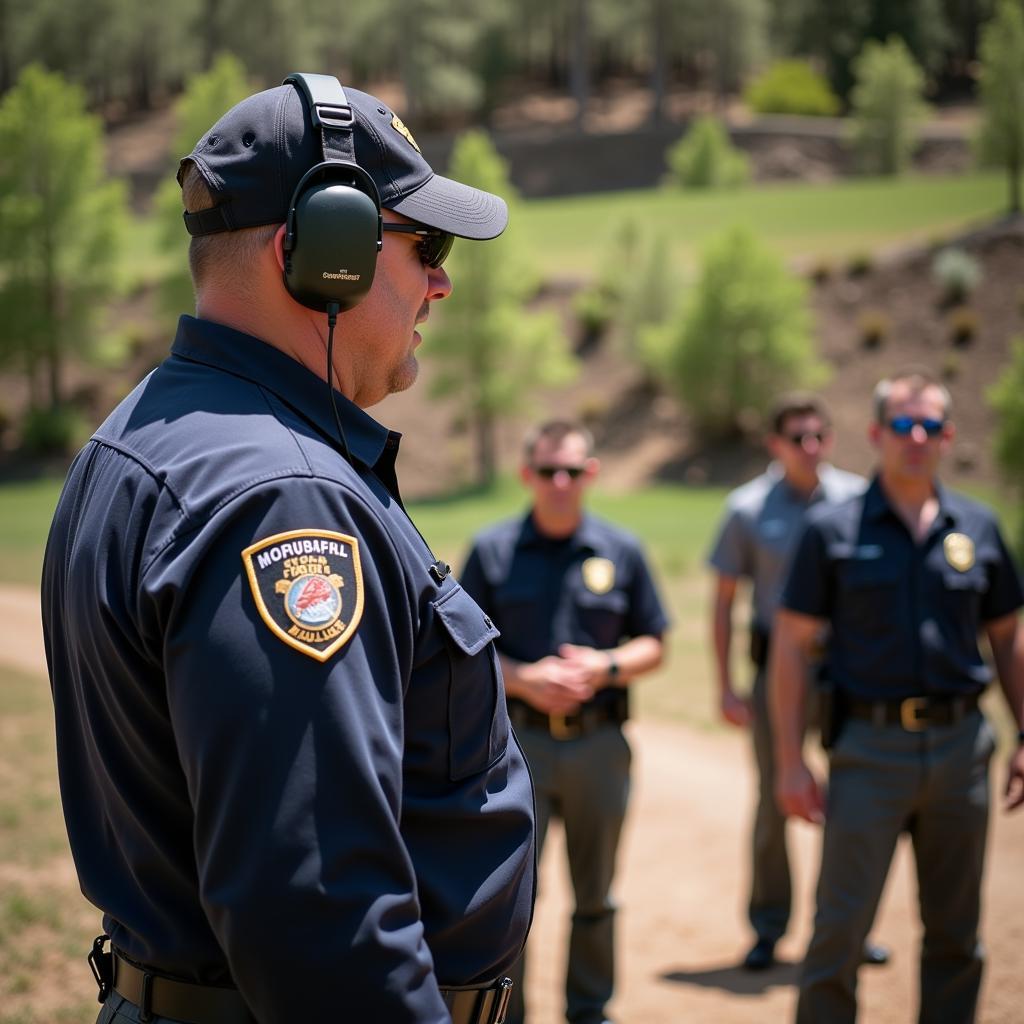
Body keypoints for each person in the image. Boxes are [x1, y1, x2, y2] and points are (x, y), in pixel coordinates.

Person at [41, 74, 535, 1024]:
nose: (441, 279)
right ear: (320, 255)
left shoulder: (139, 437)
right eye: (422, 245)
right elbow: (319, 916)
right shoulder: (284, 499)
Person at [770, 369, 1024, 1023]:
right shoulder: (831, 529)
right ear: (877, 434)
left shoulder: (981, 527)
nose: (918, 438)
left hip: (963, 751)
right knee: (838, 935)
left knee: (956, 938)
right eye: (905, 426)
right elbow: (791, 649)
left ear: (949, 437)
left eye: (931, 426)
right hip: (867, 754)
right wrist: (790, 761)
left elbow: (1008, 637)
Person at [459, 420, 669, 1024]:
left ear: (590, 475)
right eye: (547, 471)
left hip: (601, 746)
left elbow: (655, 642)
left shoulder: (620, 550)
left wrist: (604, 666)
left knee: (596, 894)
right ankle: (509, 1015)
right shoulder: (494, 550)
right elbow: (466, 650)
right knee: (512, 897)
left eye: (571, 471)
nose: (559, 482)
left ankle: (590, 1010)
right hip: (516, 748)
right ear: (527, 474)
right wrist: (525, 678)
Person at [706, 393, 887, 971]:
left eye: (819, 436)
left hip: (849, 675)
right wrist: (727, 685)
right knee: (773, 801)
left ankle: (851, 927)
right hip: (776, 677)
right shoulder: (749, 508)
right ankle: (768, 927)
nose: (810, 448)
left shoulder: (860, 501)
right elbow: (724, 600)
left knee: (860, 801)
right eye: (798, 438)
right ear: (775, 445)